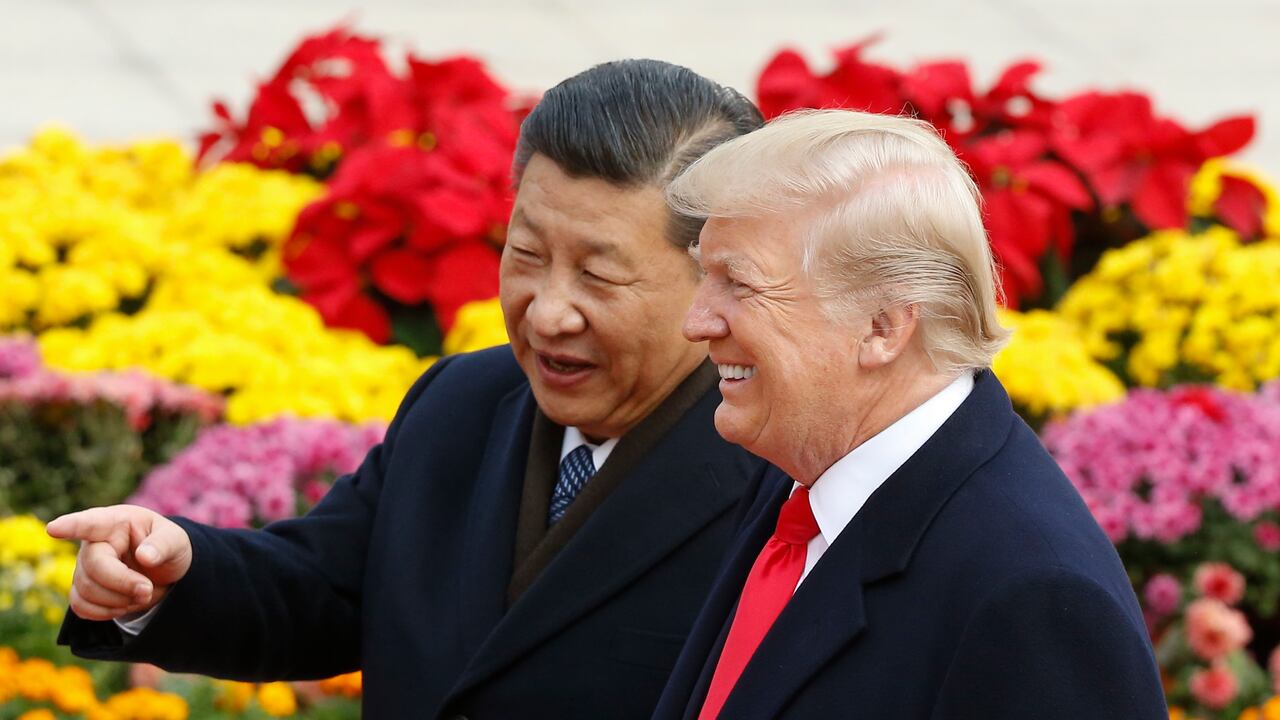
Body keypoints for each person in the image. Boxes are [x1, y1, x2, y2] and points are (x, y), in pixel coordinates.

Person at [46, 59, 767, 720]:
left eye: (600, 276)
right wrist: (173, 573)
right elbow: (323, 588)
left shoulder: (778, 469)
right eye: (526, 255)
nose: (547, 311)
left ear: (717, 276)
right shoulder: (464, 401)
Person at [651, 109, 1167, 719]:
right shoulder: (803, 465)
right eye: (703, 275)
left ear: (883, 326)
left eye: (739, 284)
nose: (696, 322)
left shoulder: (1034, 598)